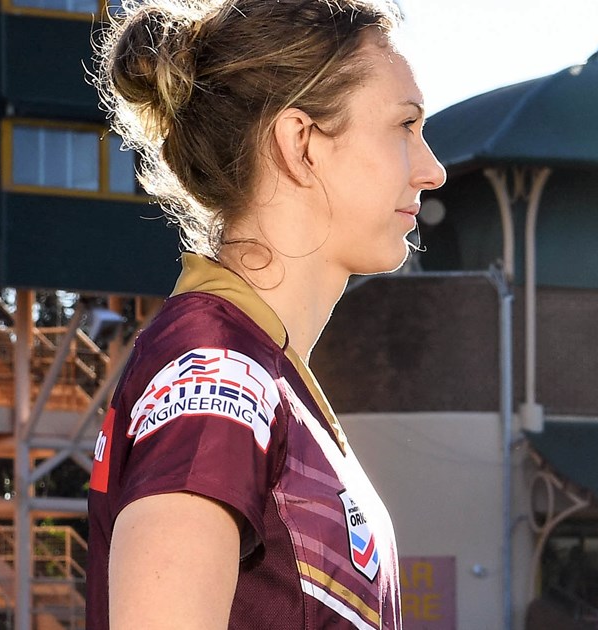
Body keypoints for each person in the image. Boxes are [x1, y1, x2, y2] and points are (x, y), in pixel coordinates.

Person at [85, 0, 445, 627]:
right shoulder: (220, 372)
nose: (432, 170)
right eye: (405, 125)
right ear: (301, 143)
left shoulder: (255, 371)